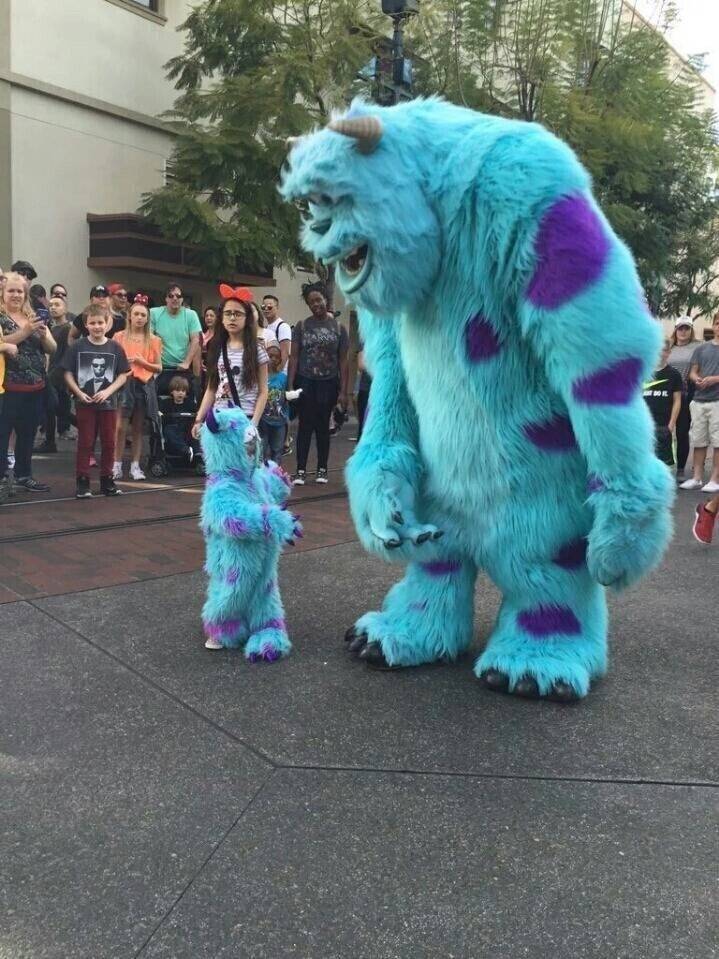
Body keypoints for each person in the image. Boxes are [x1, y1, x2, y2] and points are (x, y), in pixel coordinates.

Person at [62, 304, 129, 498]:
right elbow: (67, 373)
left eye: (100, 322)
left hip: (108, 404)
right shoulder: (78, 346)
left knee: (109, 442)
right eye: (93, 323)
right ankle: (82, 481)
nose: (97, 326)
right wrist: (78, 392)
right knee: (85, 442)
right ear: (86, 324)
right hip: (85, 404)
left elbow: (123, 375)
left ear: (107, 323)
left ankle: (107, 479)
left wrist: (108, 391)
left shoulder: (115, 347)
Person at [287, 281, 349, 485]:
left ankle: (322, 468)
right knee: (304, 426)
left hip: (328, 382)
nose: (315, 304)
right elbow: (294, 357)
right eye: (311, 302)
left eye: (318, 300)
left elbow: (343, 361)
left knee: (324, 427)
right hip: (306, 381)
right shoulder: (302, 326)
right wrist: (290, 385)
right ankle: (301, 470)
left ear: (326, 299)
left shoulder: (339, 329)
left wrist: (343, 392)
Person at [0, 272, 56, 493]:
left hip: (36, 385)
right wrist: (24, 332)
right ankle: (3, 476)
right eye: (11, 291)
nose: (15, 295)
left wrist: (42, 335)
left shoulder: (33, 316)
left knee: (28, 433)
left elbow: (52, 348)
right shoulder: (1, 317)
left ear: (25, 295)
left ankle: (25, 474)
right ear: (3, 294)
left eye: (19, 291)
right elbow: (2, 342)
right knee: (3, 433)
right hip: (9, 386)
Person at [192, 287, 268, 437]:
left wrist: (253, 424)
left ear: (247, 319)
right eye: (228, 313)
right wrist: (199, 419)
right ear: (222, 317)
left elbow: (263, 391)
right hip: (219, 418)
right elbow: (211, 388)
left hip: (245, 419)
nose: (232, 318)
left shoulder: (257, 350)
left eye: (238, 314)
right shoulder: (216, 348)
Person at [113, 294, 162, 481]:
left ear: (147, 318)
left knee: (138, 428)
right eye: (137, 314)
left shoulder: (154, 340)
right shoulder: (119, 337)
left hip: (143, 384)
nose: (140, 318)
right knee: (120, 427)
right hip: (124, 383)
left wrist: (143, 362)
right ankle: (116, 464)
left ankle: (135, 465)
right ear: (130, 316)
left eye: (143, 315)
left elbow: (158, 367)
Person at [680, 312, 719, 493]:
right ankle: (696, 478)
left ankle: (715, 479)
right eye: (717, 323)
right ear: (713, 325)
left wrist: (714, 379)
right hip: (698, 400)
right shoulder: (701, 349)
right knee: (699, 441)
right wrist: (696, 379)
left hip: (717, 401)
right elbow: (692, 371)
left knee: (718, 442)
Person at [36, 295, 75, 452]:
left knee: (57, 409)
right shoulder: (52, 327)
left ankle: (50, 442)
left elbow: (68, 353)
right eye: (50, 305)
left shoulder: (67, 329)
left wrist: (65, 374)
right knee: (55, 409)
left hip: (60, 374)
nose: (53, 307)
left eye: (57, 304)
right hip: (52, 372)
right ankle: (49, 441)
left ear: (65, 308)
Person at [150, 283, 201, 394]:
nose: (174, 298)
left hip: (182, 370)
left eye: (178, 296)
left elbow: (196, 339)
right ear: (166, 299)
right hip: (160, 368)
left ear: (182, 299)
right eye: (171, 296)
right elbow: (149, 336)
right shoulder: (154, 313)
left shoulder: (191, 315)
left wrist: (187, 362)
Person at [668, 316, 699, 481]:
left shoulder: (697, 347)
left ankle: (680, 468)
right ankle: (662, 465)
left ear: (691, 330)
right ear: (675, 329)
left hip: (686, 393)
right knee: (663, 430)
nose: (683, 331)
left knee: (681, 432)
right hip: (665, 392)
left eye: (687, 328)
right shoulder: (669, 346)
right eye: (680, 328)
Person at [642, 338, 682, 467]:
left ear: (669, 352)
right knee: (644, 459)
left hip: (663, 425)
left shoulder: (674, 374)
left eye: (664, 350)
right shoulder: (643, 373)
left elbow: (677, 401)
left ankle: (663, 485)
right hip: (644, 425)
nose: (660, 353)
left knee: (664, 463)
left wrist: (671, 424)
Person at [260, 341, 291, 464]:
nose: (272, 359)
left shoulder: (283, 378)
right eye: (269, 356)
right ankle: (261, 478)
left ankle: (275, 476)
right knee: (261, 450)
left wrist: (287, 420)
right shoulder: (260, 377)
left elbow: (287, 399)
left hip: (279, 421)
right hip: (263, 420)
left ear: (280, 360)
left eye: (275, 357)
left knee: (277, 451)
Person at [160, 375, 198, 463]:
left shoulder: (190, 404)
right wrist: (160, 413)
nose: (180, 393)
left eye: (183, 391)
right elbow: (161, 413)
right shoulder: (166, 403)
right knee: (168, 430)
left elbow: (197, 413)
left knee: (196, 431)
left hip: (186, 430)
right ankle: (186, 450)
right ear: (172, 392)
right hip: (173, 431)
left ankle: (197, 452)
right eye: (177, 391)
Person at [261, 294, 291, 370]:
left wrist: (278, 371)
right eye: (263, 307)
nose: (266, 309)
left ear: (277, 308)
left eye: (270, 307)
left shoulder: (283, 326)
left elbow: (285, 352)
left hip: (279, 374)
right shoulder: (267, 327)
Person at [354, 345, 372, 442]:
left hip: (386, 390)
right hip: (367, 390)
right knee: (364, 427)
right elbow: (361, 365)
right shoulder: (366, 339)